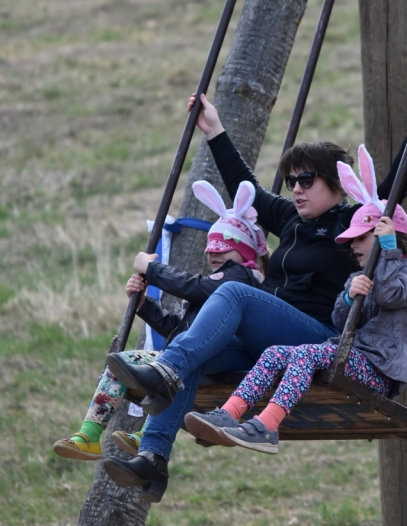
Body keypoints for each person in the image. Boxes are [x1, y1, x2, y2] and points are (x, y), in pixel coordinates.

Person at [103, 87, 407, 500]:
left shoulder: (351, 221)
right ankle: (153, 459)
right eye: (291, 180)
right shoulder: (289, 219)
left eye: (306, 180)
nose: (296, 189)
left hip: (318, 337)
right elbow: (247, 187)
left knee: (236, 293)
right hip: (270, 341)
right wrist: (215, 131)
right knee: (195, 348)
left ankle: (168, 368)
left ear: (336, 184)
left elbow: (392, 188)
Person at [185, 146, 407, 454]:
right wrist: (350, 299)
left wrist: (388, 247)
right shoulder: (357, 277)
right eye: (351, 242)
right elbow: (341, 321)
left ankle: (265, 427)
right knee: (274, 354)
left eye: (362, 238)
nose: (354, 248)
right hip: (348, 353)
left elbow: (391, 292)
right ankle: (228, 414)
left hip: (378, 367)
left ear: (389, 236)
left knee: (306, 356)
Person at [52, 180, 267, 465]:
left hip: (226, 360)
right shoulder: (217, 287)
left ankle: (126, 434)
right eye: (211, 248)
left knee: (143, 363)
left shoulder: (242, 280)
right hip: (196, 355)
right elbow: (180, 331)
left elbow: (192, 287)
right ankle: (97, 435)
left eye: (224, 247)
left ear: (246, 252)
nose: (214, 254)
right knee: (126, 362)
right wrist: (145, 307)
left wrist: (151, 268)